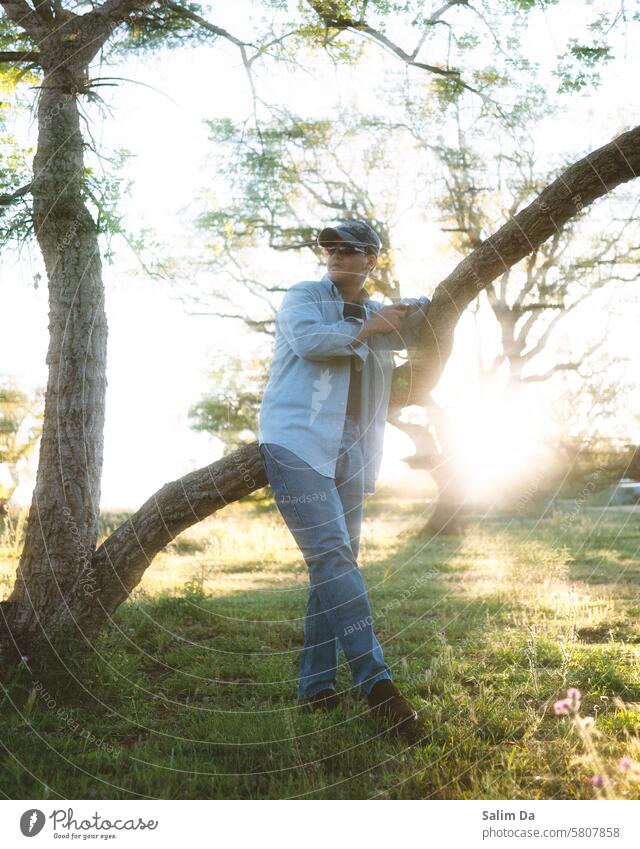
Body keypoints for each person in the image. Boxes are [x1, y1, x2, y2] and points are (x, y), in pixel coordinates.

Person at [258, 219, 431, 731]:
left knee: (332, 563)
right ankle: (377, 684)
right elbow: (311, 343)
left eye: (349, 248)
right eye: (330, 246)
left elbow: (426, 322)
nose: (335, 253)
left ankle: (316, 688)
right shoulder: (304, 296)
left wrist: (418, 308)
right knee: (333, 555)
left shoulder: (380, 313)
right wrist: (370, 329)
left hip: (354, 447)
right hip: (296, 441)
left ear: (371, 259)